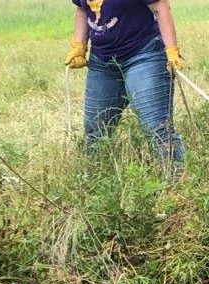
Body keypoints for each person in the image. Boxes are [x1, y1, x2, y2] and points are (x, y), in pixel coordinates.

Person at [64, 0, 184, 169]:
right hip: (102, 62)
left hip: (144, 55)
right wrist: (79, 44)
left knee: (157, 128)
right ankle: (94, 185)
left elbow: (160, 6)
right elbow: (82, 9)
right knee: (95, 131)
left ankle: (174, 183)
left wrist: (171, 50)